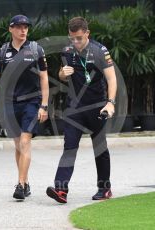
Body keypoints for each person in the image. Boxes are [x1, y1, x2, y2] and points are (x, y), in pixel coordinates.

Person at [46, 17, 117, 203]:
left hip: (97, 106)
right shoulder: (67, 51)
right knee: (69, 147)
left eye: (79, 38)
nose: (76, 42)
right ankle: (61, 190)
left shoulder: (100, 51)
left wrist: (110, 103)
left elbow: (111, 78)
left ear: (87, 33)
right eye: (72, 38)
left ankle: (104, 188)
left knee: (100, 149)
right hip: (75, 108)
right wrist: (62, 74)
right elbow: (62, 74)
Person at [0, 15, 49, 200]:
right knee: (18, 145)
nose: (23, 30)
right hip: (10, 102)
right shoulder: (3, 52)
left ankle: (20, 184)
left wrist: (44, 105)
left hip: (32, 101)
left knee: (26, 141)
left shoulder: (36, 49)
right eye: (19, 27)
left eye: (26, 26)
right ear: (11, 29)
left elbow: (44, 77)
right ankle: (25, 182)